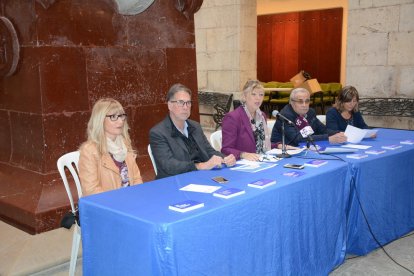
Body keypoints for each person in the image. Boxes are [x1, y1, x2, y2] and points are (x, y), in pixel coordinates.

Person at [149, 83, 236, 179]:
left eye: (188, 102)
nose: (185, 107)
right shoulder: (158, 133)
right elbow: (169, 165)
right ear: (170, 105)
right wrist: (201, 166)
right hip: (175, 182)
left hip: (202, 177)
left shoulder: (195, 126)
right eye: (181, 102)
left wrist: (225, 158)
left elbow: (208, 151)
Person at [79, 98, 143, 196]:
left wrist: (136, 197)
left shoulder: (125, 143)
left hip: (130, 200)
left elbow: (136, 178)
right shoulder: (89, 151)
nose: (121, 121)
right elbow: (91, 191)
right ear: (100, 120)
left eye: (121, 116)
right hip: (107, 205)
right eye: (113, 117)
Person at [221, 80, 287, 161]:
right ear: (244, 96)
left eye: (261, 95)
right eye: (253, 94)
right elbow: (226, 149)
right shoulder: (232, 117)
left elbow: (260, 143)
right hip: (244, 164)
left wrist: (279, 145)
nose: (258, 98)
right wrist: (243, 154)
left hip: (263, 159)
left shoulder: (262, 115)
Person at [271, 87, 347, 147]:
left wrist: (338, 133)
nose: (304, 105)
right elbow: (297, 139)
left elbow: (323, 130)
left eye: (307, 101)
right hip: (285, 150)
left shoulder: (310, 112)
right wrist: (328, 138)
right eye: (300, 101)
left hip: (305, 148)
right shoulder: (285, 115)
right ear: (292, 102)